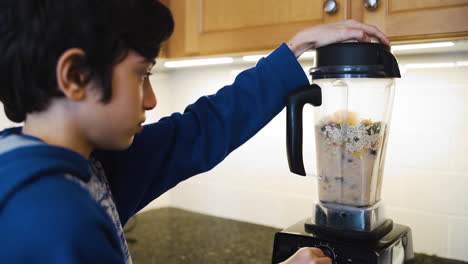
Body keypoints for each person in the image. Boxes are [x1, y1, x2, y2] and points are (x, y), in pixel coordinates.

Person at [0, 0, 389, 263]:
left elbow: (199, 130)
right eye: (142, 76)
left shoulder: (82, 166)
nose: (151, 100)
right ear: (76, 76)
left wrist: (296, 46)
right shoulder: (56, 220)